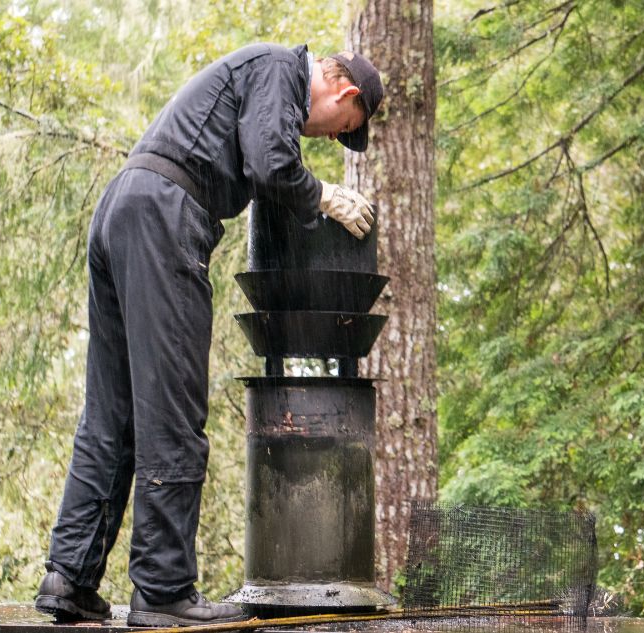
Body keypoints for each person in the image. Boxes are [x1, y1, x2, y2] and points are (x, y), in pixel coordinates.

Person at [33, 43, 384, 627]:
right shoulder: (280, 68)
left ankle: (68, 577)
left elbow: (260, 158)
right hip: (165, 216)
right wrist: (325, 195)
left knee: (112, 413)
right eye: (339, 129)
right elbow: (272, 164)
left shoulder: (260, 80)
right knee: (172, 413)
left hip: (125, 207)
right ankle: (164, 591)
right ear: (344, 92)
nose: (326, 139)